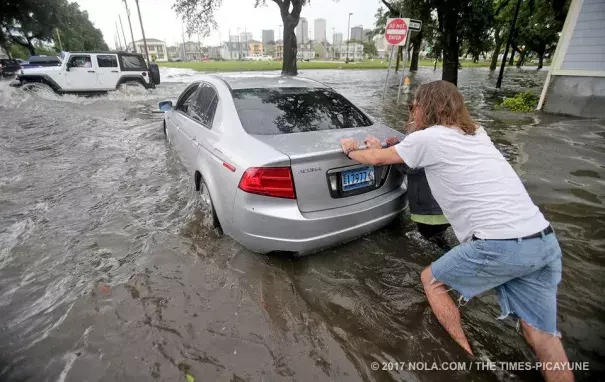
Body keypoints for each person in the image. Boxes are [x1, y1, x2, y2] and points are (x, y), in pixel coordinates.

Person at [340, 80, 572, 382]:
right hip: (543, 240)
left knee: (431, 281)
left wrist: (350, 150)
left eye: (415, 105)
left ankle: (464, 356)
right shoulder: (477, 132)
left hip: (500, 244)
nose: (413, 111)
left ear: (425, 108)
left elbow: (377, 158)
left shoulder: (429, 138)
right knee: (542, 334)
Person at [384, 139, 451, 251]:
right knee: (437, 237)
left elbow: (406, 165)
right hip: (446, 210)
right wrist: (399, 145)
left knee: (433, 243)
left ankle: (451, 260)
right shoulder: (442, 145)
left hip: (428, 214)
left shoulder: (422, 151)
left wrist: (394, 149)